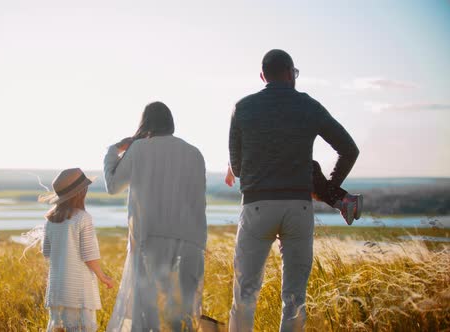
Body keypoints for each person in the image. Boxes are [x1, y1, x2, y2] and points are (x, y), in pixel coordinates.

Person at [228, 49, 359, 332]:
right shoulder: (308, 106)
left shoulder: (243, 107)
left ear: (263, 76)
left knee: (245, 294)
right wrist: (330, 188)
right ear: (290, 73)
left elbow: (237, 167)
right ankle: (337, 197)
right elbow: (349, 149)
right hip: (298, 207)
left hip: (256, 206)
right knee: (295, 298)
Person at [103, 101, 207, 331]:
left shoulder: (139, 149)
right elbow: (200, 201)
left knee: (148, 314)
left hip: (150, 240)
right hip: (191, 242)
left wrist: (113, 150)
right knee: (184, 314)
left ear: (145, 124)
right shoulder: (194, 153)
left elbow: (112, 186)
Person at [40, 168, 114, 332]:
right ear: (81, 192)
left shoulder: (50, 220)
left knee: (59, 328)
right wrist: (103, 277)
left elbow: (46, 252)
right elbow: (89, 256)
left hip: (57, 287)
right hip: (78, 287)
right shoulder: (82, 218)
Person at [225, 160, 363, 225]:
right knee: (314, 177)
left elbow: (237, 150)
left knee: (313, 182)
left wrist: (230, 169)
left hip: (275, 183)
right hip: (299, 166)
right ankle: (346, 200)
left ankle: (344, 203)